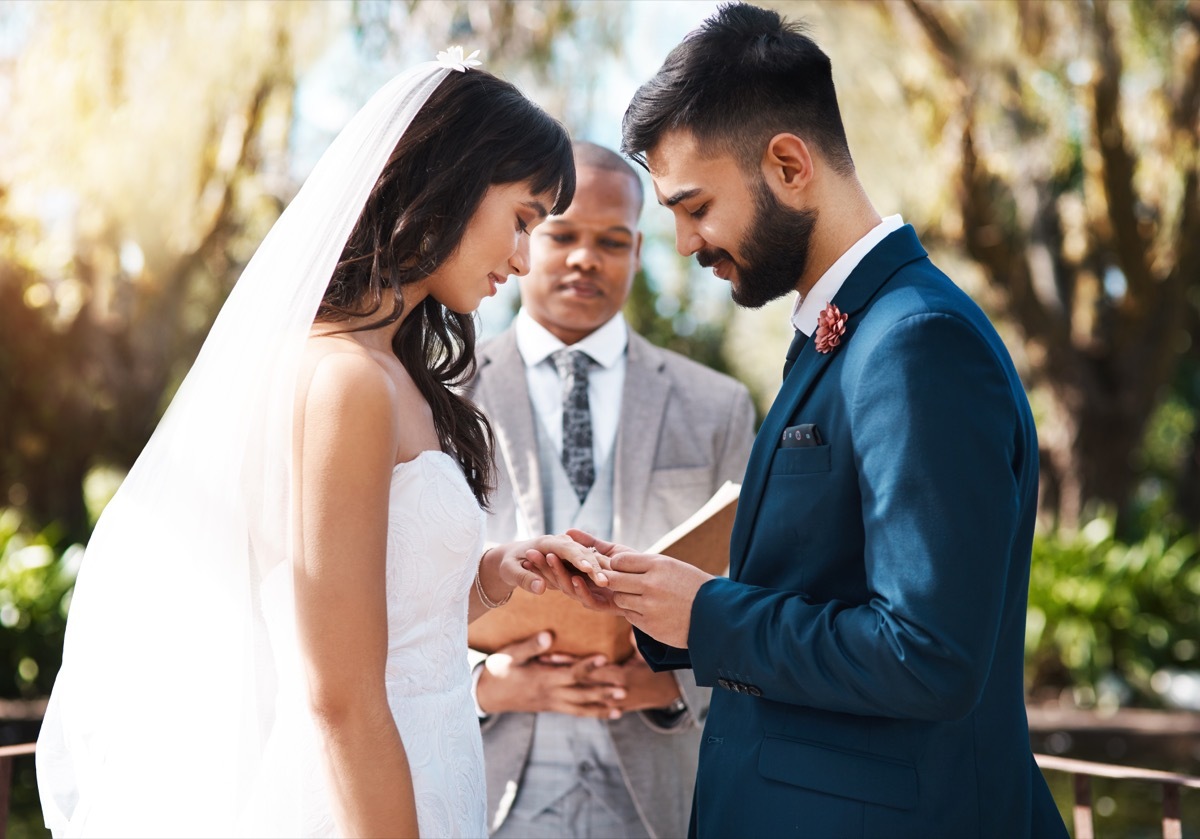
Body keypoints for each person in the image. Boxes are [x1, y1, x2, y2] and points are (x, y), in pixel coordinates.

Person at [36, 56, 601, 838]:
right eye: (524, 218)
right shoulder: (344, 383)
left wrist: (496, 574)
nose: (523, 257)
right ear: (455, 180)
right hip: (359, 801)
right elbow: (338, 691)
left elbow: (397, 615)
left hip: (430, 773)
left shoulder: (389, 373)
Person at [547, 5, 1069, 838]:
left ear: (789, 164)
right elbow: (820, 582)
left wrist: (709, 614)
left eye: (696, 206)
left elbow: (928, 653)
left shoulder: (916, 343)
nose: (683, 243)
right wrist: (650, 600)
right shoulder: (847, 333)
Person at [467, 141, 754, 838]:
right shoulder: (447, 391)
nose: (584, 258)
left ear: (637, 249)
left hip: (660, 795)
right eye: (561, 235)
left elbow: (758, 591)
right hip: (485, 789)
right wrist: (482, 684)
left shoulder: (717, 405)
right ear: (523, 236)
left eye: (613, 241)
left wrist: (671, 684)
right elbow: (392, 585)